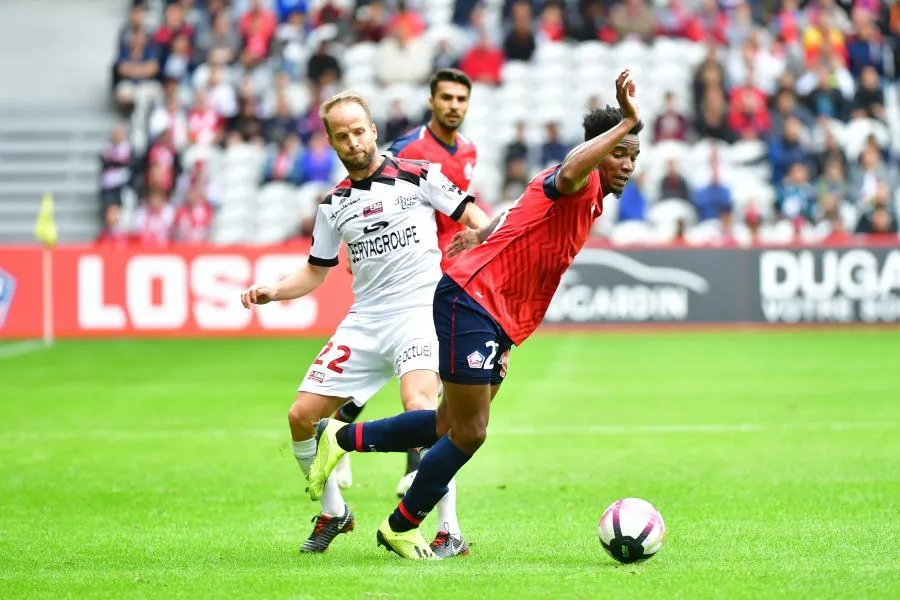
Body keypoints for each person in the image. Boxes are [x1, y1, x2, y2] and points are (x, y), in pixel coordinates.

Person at [307, 70, 642, 559]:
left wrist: (483, 235)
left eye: (633, 155)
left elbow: (520, 208)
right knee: (472, 431)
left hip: (499, 314)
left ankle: (341, 436)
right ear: (597, 148)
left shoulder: (588, 197)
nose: (627, 164)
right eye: (618, 152)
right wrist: (624, 122)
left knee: (447, 423)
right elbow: (567, 170)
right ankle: (402, 525)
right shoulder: (579, 178)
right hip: (474, 298)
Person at [240, 91, 488, 556]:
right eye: (342, 135)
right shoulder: (333, 205)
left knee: (424, 408)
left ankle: (448, 528)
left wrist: (479, 244)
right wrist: (274, 289)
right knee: (299, 417)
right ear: (332, 144)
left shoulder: (418, 175)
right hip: (365, 322)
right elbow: (315, 270)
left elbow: (476, 217)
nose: (353, 141)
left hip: (420, 312)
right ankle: (335, 513)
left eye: (359, 130)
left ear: (373, 130)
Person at [330, 70, 478, 523]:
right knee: (423, 380)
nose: (454, 106)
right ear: (431, 102)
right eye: (446, 98)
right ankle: (368, 446)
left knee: (435, 382)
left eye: (461, 99)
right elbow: (369, 195)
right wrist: (350, 249)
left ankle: (364, 443)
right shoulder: (409, 152)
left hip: (452, 269)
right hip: (409, 277)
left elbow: (462, 205)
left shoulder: (469, 149)